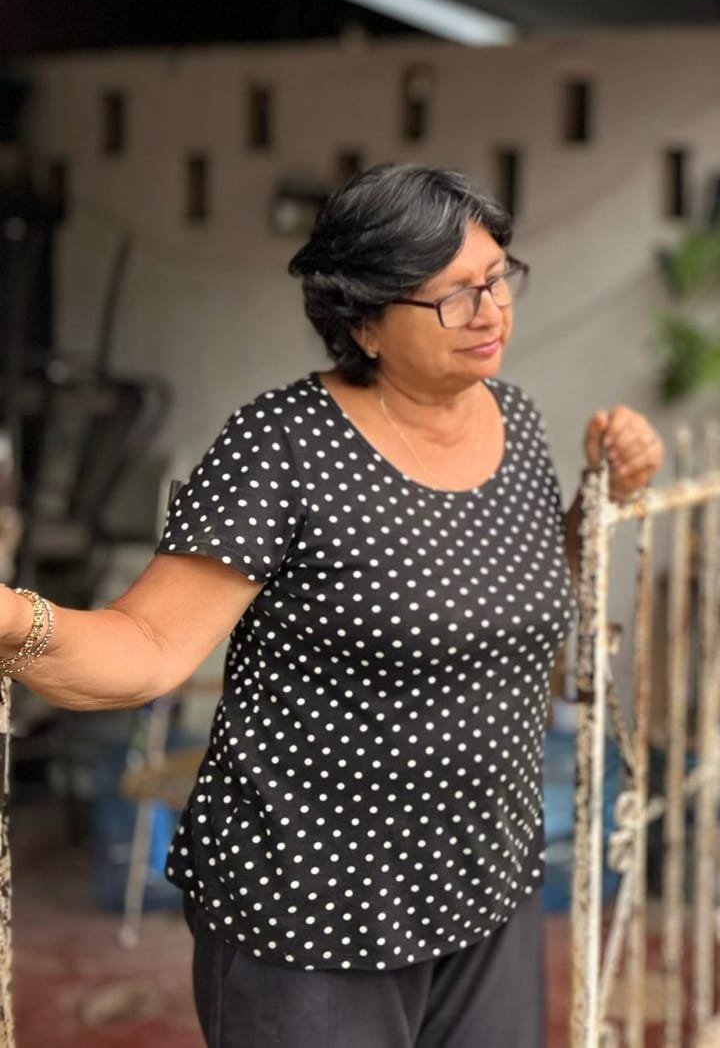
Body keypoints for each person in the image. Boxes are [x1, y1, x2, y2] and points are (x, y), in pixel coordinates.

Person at [0, 163, 664, 1046]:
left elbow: (524, 581)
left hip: (486, 888)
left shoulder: (517, 420)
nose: (491, 312)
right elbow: (146, 648)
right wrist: (13, 618)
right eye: (452, 297)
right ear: (363, 322)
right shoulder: (281, 446)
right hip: (309, 919)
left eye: (498, 278)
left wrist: (602, 495)